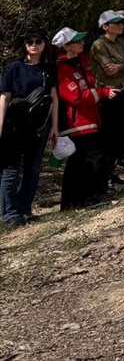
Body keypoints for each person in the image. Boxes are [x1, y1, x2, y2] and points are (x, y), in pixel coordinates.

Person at [1, 29, 55, 224]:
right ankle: (9, 213)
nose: (33, 44)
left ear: (44, 44)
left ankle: (25, 209)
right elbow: (4, 97)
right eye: (29, 41)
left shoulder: (48, 69)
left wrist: (54, 127)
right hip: (14, 125)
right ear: (24, 45)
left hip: (39, 126)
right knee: (11, 171)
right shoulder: (13, 68)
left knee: (32, 170)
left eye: (38, 41)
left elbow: (54, 98)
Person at [53, 28, 110, 209]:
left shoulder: (79, 63)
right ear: (66, 46)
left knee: (84, 160)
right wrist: (102, 93)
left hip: (90, 119)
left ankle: (77, 201)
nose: (82, 44)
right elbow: (75, 96)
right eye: (77, 41)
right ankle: (88, 197)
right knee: (88, 159)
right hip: (76, 123)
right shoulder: (62, 69)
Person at [90, 10, 124, 183]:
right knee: (106, 135)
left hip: (122, 91)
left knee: (120, 134)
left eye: (121, 22)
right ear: (105, 26)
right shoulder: (99, 45)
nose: (121, 25)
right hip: (107, 93)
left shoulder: (121, 43)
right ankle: (103, 176)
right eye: (116, 23)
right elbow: (108, 69)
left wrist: (120, 67)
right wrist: (121, 66)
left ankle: (112, 172)